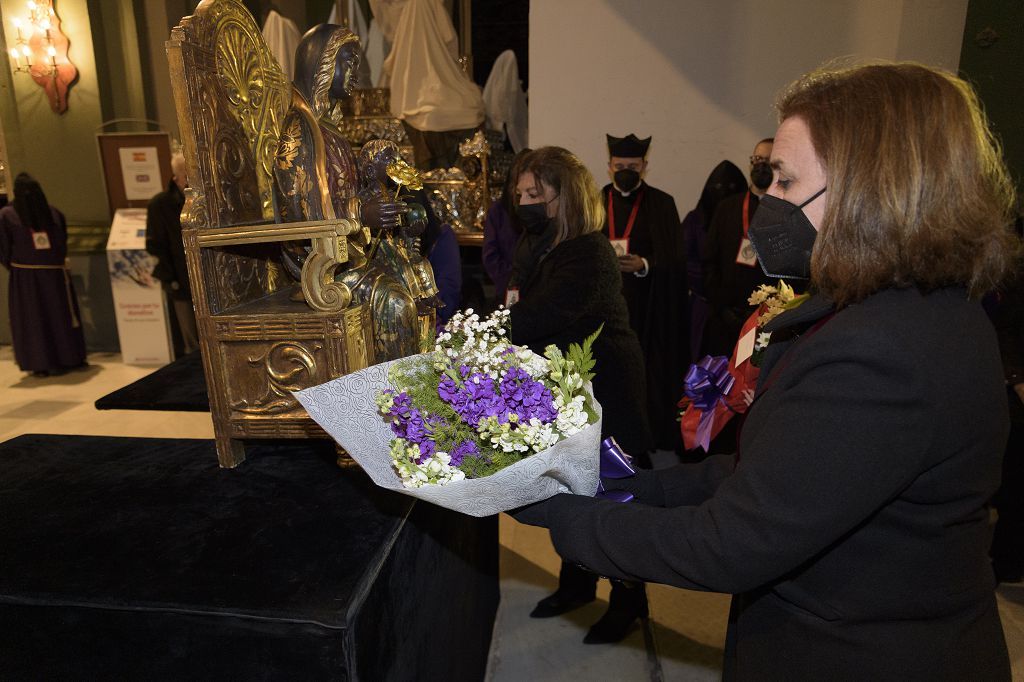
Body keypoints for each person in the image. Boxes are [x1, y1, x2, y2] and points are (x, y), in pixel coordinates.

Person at [512, 62, 1017, 679]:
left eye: (783, 180)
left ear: (872, 191)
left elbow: (730, 544)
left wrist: (559, 515)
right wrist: (615, 487)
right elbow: (775, 469)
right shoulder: (907, 307)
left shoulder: (884, 350)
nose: (765, 202)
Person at [508, 146, 653, 644]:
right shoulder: (542, 246)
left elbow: (539, 318)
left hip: (608, 390)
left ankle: (630, 599)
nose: (524, 202)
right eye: (520, 193)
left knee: (613, 498)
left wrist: (475, 331)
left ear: (563, 197)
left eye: (535, 193)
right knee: (569, 489)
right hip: (571, 389)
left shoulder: (587, 251)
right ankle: (577, 583)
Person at [601, 133, 687, 452]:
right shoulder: (595, 201)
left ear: (644, 166)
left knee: (645, 376)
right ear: (609, 167)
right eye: (620, 165)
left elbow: (676, 259)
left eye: (633, 166)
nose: (626, 170)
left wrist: (644, 263)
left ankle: (643, 441)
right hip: (606, 309)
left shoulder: (662, 204)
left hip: (648, 308)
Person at [0, 173, 87, 376]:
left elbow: (3, 248)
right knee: (59, 316)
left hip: (26, 279)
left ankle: (41, 363)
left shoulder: (7, 216)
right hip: (54, 276)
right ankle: (68, 357)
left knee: (34, 320)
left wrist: (16, 266)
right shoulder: (54, 213)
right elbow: (62, 242)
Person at [701, 137, 778, 357]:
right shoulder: (727, 207)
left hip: (767, 319)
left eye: (769, 162)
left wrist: (764, 312)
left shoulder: (786, 211)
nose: (761, 166)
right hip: (725, 317)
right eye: (757, 159)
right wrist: (722, 307)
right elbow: (709, 262)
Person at [681, 160, 746, 362]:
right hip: (703, 306)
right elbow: (684, 259)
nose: (723, 193)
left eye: (731, 189)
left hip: (739, 308)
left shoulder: (743, 220)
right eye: (717, 188)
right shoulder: (694, 220)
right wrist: (711, 290)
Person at [146, 151, 199, 355]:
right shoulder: (160, 205)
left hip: (202, 278)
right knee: (190, 338)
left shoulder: (201, 201)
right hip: (179, 280)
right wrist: (171, 280)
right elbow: (156, 245)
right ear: (178, 177)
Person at [482, 148, 529, 307]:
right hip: (506, 290)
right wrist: (510, 280)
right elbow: (490, 256)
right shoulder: (498, 211)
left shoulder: (541, 210)